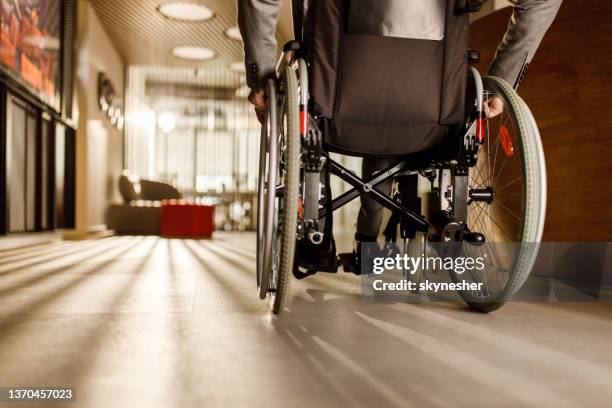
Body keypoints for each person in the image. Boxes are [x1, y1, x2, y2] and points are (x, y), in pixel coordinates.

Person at [238, 0, 562, 264]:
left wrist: (262, 76)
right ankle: (368, 242)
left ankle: (319, 236)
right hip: (430, 120)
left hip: (331, 110)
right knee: (394, 120)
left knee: (322, 117)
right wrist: (500, 85)